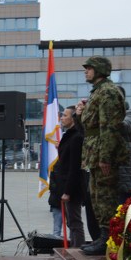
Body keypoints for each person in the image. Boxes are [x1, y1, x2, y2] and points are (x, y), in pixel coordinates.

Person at [78, 56, 127, 255]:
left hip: (102, 152)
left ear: (98, 70)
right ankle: (102, 236)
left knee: (106, 197)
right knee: (97, 197)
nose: (85, 71)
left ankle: (108, 238)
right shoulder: (98, 92)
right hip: (94, 151)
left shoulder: (108, 92)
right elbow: (90, 124)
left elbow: (109, 127)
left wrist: (105, 156)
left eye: (88, 68)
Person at [50, 106, 86, 247]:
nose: (62, 118)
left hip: (72, 188)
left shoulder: (76, 137)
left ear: (73, 118)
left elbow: (74, 167)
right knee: (71, 222)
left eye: (65, 115)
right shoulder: (69, 135)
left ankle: (77, 250)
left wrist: (67, 191)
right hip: (65, 185)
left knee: (74, 222)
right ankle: (74, 248)